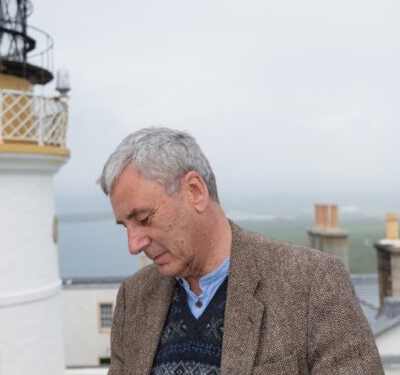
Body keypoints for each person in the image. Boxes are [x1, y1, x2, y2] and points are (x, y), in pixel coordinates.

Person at [97, 127, 382, 375]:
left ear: (195, 191)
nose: (133, 245)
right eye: (125, 226)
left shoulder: (311, 282)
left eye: (145, 219)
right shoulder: (133, 298)